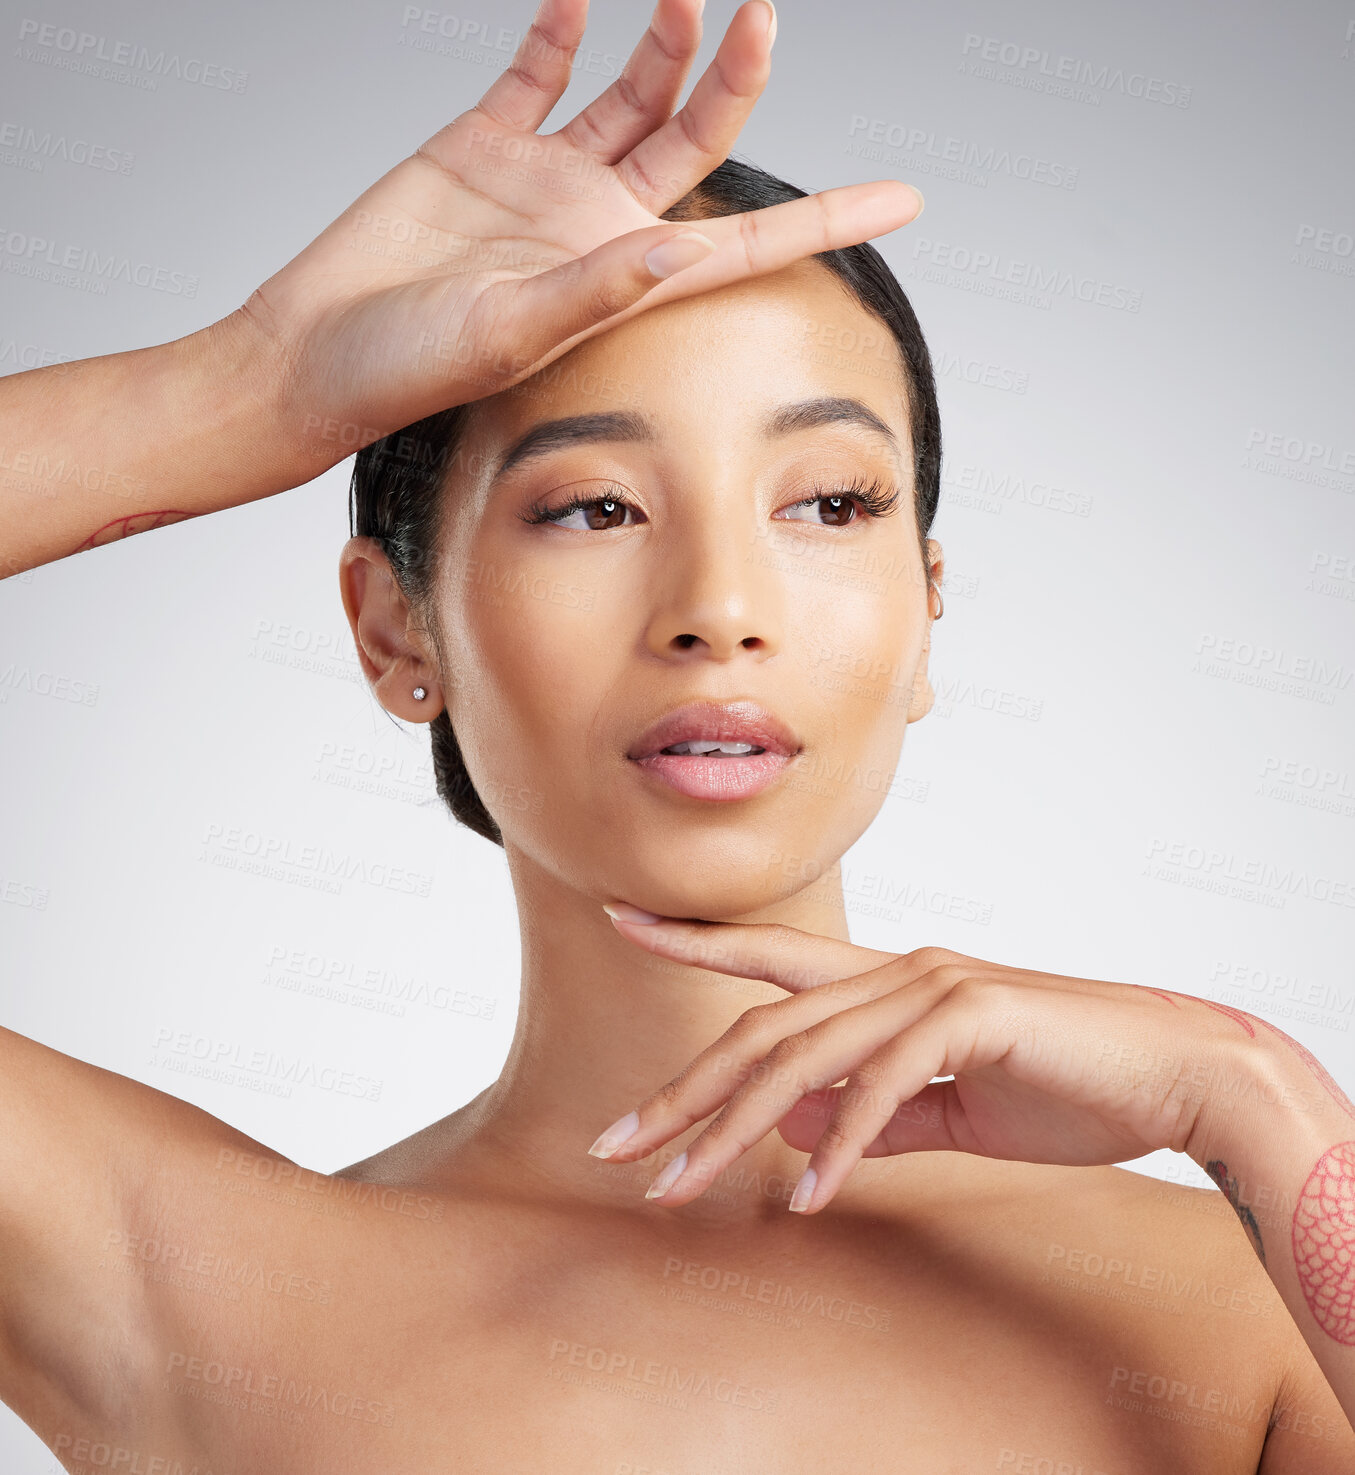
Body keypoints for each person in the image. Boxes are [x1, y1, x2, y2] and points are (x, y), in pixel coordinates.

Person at [2, 0, 1353, 1469]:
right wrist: (246, 382)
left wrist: (1255, 1094)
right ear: (399, 630)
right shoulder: (189, 1292)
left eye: (828, 505)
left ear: (925, 609)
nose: (719, 606)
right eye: (593, 506)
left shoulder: (1234, 1308)